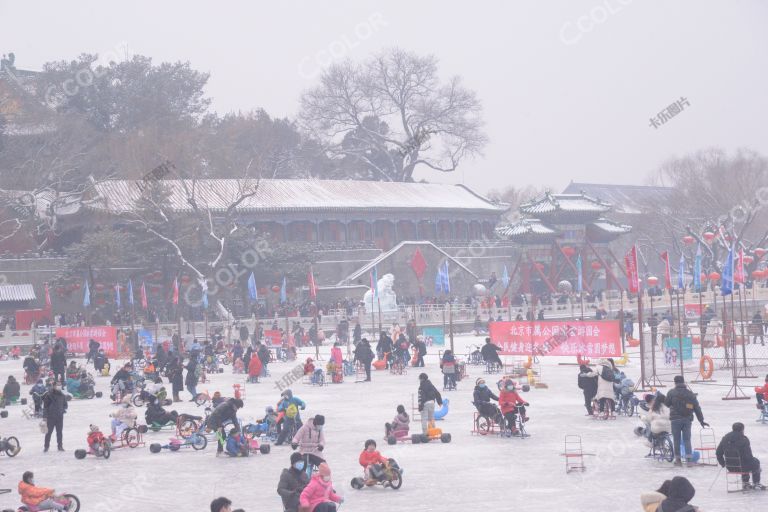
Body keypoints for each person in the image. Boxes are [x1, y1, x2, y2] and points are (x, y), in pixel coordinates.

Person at [666, 375, 708, 465]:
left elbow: (667, 404)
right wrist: (701, 420)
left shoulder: (671, 393)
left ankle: (678, 460)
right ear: (683, 382)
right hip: (687, 419)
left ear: (675, 382)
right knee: (687, 440)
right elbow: (697, 408)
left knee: (676, 440)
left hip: (675, 419)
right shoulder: (690, 394)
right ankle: (689, 460)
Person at [716, 422, 764, 490]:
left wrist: (723, 463)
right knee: (755, 462)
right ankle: (756, 483)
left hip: (730, 467)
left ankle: (746, 484)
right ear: (742, 429)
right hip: (742, 467)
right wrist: (756, 464)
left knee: (745, 461)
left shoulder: (725, 438)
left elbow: (718, 452)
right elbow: (748, 456)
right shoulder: (744, 439)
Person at [42, 380, 67, 452]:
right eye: (58, 385)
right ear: (54, 386)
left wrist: (63, 409)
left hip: (59, 417)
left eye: (60, 385)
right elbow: (45, 407)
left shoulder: (62, 395)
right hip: (51, 417)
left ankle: (60, 446)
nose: (59, 386)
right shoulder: (49, 395)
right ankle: (46, 446)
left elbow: (65, 405)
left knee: (59, 432)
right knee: (49, 432)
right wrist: (45, 416)